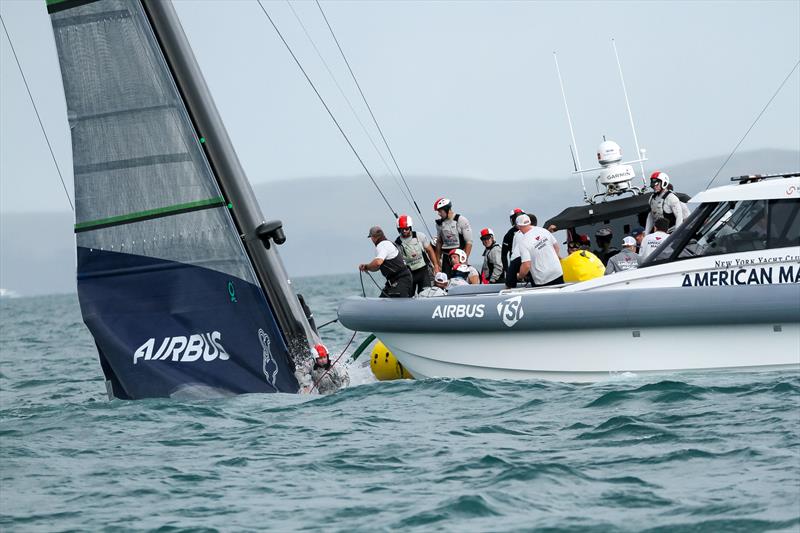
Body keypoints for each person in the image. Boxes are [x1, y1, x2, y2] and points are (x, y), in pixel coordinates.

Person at [359, 226, 413, 297]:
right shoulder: (387, 243)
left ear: (372, 237)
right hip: (395, 281)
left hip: (401, 280)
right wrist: (367, 267)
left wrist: (367, 266)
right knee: (381, 301)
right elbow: (377, 267)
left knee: (397, 305)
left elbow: (378, 262)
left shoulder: (382, 245)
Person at [514, 214, 564, 286]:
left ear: (518, 226)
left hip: (542, 278)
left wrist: (520, 276)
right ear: (530, 222)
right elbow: (556, 247)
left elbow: (526, 265)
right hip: (557, 272)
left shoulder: (523, 242)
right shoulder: (543, 230)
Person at [395, 214, 439, 295]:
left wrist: (436, 266)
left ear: (410, 228)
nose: (404, 231)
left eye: (406, 229)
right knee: (409, 296)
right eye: (402, 229)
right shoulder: (397, 243)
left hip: (424, 271)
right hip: (409, 274)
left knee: (426, 294)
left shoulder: (420, 236)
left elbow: (430, 251)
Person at [434, 197, 473, 277]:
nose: (439, 214)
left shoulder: (461, 220)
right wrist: (438, 261)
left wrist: (464, 259)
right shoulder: (439, 224)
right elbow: (439, 242)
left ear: (447, 209)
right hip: (446, 258)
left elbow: (469, 242)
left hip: (459, 257)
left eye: (440, 211)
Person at [501, 208, 525, 273]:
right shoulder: (509, 235)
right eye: (516, 219)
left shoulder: (530, 231)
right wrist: (507, 270)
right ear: (513, 220)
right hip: (516, 266)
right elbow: (503, 255)